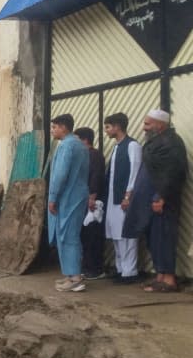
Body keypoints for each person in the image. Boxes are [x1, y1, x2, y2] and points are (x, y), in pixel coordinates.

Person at [123, 109, 188, 292]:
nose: (144, 128)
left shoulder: (171, 143)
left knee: (164, 238)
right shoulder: (157, 141)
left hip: (162, 202)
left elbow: (171, 174)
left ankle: (169, 280)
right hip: (150, 202)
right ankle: (160, 276)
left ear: (160, 125)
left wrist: (161, 197)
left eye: (147, 124)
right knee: (154, 240)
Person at [48, 114, 90, 292]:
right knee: (70, 235)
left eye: (54, 127)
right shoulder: (80, 145)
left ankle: (75, 278)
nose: (52, 130)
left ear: (64, 128)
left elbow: (60, 175)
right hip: (78, 195)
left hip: (68, 197)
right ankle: (71, 275)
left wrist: (53, 197)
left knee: (67, 236)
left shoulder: (66, 145)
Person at [103, 113, 142, 284]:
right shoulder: (117, 147)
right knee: (116, 235)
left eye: (108, 127)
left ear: (117, 126)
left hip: (125, 198)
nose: (106, 131)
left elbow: (135, 172)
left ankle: (130, 272)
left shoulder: (132, 145)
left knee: (127, 236)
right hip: (113, 199)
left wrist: (128, 195)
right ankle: (120, 269)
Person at [74, 128, 106, 280]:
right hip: (83, 201)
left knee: (93, 235)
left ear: (84, 139)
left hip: (93, 203)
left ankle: (95, 269)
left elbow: (96, 177)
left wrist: (92, 197)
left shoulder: (95, 155)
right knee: (85, 236)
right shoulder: (84, 155)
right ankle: (86, 267)